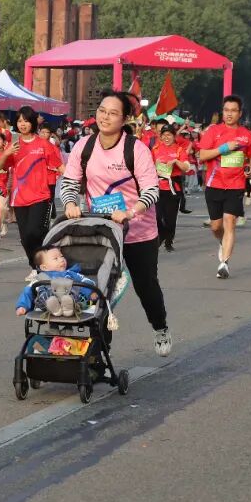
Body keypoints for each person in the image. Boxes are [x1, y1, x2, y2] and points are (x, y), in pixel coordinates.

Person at [61, 92, 171, 357]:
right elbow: (69, 182)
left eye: (112, 113)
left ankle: (160, 327)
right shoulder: (84, 146)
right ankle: (100, 352)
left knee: (146, 286)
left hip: (138, 232)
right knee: (99, 290)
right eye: (102, 110)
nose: (105, 117)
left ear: (124, 119)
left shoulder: (136, 149)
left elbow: (152, 190)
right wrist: (70, 203)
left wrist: (131, 212)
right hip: (101, 231)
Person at [197, 95, 251, 278]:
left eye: (233, 111)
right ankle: (222, 242)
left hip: (236, 185)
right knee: (216, 227)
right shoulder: (213, 131)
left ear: (240, 113)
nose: (229, 114)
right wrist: (224, 148)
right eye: (226, 110)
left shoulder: (246, 135)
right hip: (214, 183)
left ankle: (224, 264)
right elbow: (202, 155)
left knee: (230, 222)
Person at [0, 105, 62, 275]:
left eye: (26, 121)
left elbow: (59, 166)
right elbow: (0, 166)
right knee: (25, 237)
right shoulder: (14, 146)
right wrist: (6, 153)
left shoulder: (43, 144)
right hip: (19, 198)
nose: (23, 124)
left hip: (40, 196)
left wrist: (76, 180)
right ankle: (36, 267)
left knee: (34, 232)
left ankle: (44, 264)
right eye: (19, 121)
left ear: (32, 122)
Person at [14, 247, 97, 317]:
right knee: (42, 293)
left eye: (62, 256)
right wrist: (22, 306)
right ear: (44, 267)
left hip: (70, 298)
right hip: (48, 302)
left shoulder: (71, 273)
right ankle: (55, 307)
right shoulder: (41, 277)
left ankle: (68, 307)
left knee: (77, 291)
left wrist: (90, 293)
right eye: (56, 258)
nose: (61, 260)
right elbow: (28, 291)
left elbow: (87, 282)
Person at [152, 124, 190, 252]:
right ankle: (162, 234)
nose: (166, 137)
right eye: (164, 135)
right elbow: (148, 166)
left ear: (174, 136)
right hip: (158, 187)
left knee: (170, 218)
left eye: (169, 135)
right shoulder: (155, 149)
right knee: (157, 216)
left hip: (173, 188)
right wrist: (155, 165)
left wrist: (176, 162)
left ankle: (168, 241)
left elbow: (186, 167)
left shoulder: (179, 150)